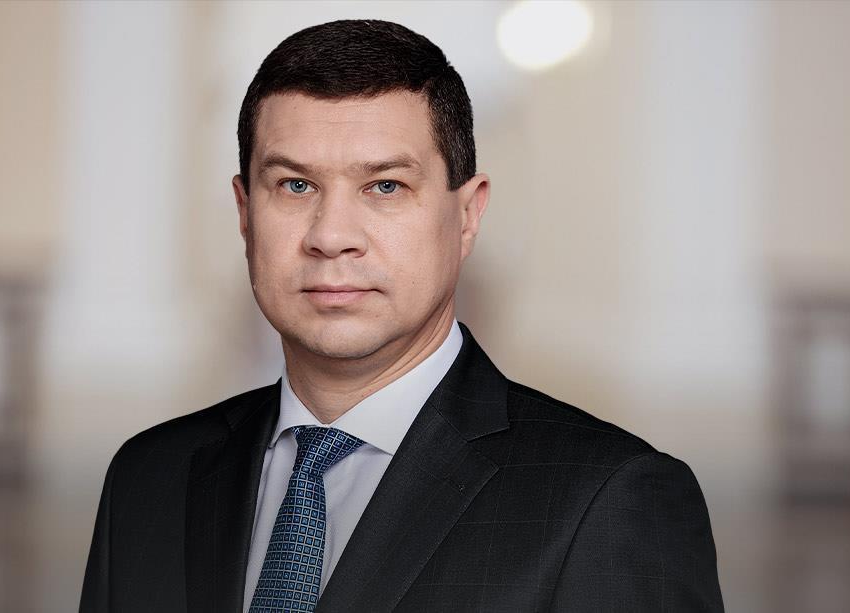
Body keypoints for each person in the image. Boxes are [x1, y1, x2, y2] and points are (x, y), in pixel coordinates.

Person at [80, 19, 722, 613]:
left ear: (467, 215)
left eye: (385, 186)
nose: (331, 237)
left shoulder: (609, 499)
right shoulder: (147, 477)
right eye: (295, 185)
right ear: (246, 213)